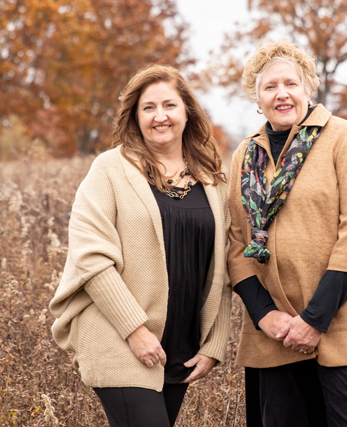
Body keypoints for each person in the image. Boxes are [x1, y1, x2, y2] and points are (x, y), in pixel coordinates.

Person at [227, 41, 347, 427]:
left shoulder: (344, 138)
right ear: (256, 98)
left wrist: (314, 320)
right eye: (269, 86)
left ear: (307, 87)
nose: (281, 94)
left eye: (290, 84)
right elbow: (235, 244)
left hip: (346, 326)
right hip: (276, 336)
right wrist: (264, 316)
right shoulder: (244, 156)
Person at [49, 64, 231, 427]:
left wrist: (215, 343)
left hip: (178, 344)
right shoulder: (109, 170)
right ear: (135, 116)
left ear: (187, 113)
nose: (159, 116)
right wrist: (135, 331)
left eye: (169, 105)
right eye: (148, 107)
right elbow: (91, 258)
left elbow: (223, 268)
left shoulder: (212, 179)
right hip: (121, 337)